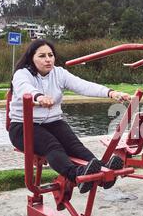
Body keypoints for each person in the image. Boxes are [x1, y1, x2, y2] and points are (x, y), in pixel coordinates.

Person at [8, 39, 131, 193]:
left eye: (50, 55)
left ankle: (102, 171)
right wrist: (39, 97)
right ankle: (76, 175)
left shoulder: (59, 73)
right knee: (52, 146)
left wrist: (111, 93)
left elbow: (83, 85)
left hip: (53, 123)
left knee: (75, 146)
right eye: (42, 56)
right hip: (23, 127)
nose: (48, 59)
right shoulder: (22, 74)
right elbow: (24, 88)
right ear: (31, 58)